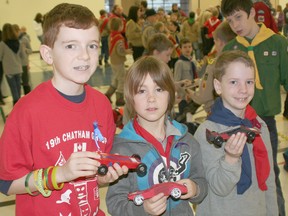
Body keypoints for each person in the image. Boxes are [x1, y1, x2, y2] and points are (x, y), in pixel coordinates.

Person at [0, 3, 128, 216]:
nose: (85, 56)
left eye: (92, 45)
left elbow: (95, 170)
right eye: (71, 46)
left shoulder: (102, 104)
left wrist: (103, 177)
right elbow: (6, 182)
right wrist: (59, 174)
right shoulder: (27, 111)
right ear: (48, 54)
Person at [106, 56, 208, 216]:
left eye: (159, 89)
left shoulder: (187, 142)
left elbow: (201, 182)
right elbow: (115, 204)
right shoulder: (122, 149)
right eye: (141, 91)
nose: (151, 98)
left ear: (170, 95)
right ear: (130, 99)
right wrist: (143, 209)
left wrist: (195, 189)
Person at [221, 1, 288, 215]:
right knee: (242, 176)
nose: (235, 25)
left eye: (238, 17)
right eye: (230, 21)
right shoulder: (232, 49)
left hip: (266, 123)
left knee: (270, 175)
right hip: (237, 123)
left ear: (252, 13)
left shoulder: (277, 43)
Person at [194, 50, 278, 216]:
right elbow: (219, 187)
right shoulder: (207, 133)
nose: (243, 90)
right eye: (234, 82)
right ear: (218, 86)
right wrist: (231, 159)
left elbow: (268, 181)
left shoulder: (258, 125)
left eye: (249, 82)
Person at [186, 21, 236, 114]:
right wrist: (199, 81)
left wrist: (189, 92)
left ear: (220, 42)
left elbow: (203, 96)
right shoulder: (243, 61)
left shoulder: (214, 65)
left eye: (215, 42)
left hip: (218, 115)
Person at [105, 17, 132, 106]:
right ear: (119, 26)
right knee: (122, 79)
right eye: (122, 25)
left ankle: (108, 94)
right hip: (119, 61)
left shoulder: (111, 35)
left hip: (113, 60)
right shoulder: (119, 37)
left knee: (116, 78)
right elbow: (120, 51)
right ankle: (119, 98)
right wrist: (127, 52)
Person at [174, 38, 200, 123]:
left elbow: (197, 75)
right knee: (184, 118)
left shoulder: (193, 61)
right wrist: (184, 95)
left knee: (191, 116)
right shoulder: (179, 63)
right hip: (184, 97)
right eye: (185, 47)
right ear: (180, 49)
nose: (188, 49)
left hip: (193, 93)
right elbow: (177, 81)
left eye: (189, 46)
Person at [0, 23, 24, 105]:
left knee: (14, 91)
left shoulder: (2, 44)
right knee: (18, 89)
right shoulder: (19, 42)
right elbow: (22, 55)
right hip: (18, 68)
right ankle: (20, 106)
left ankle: (16, 107)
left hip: (9, 70)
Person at [14, 25, 33, 95]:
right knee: (17, 84)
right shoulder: (12, 40)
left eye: (17, 31)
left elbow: (30, 50)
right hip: (15, 64)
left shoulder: (25, 39)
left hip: (23, 63)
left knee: (25, 82)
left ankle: (28, 97)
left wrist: (24, 49)